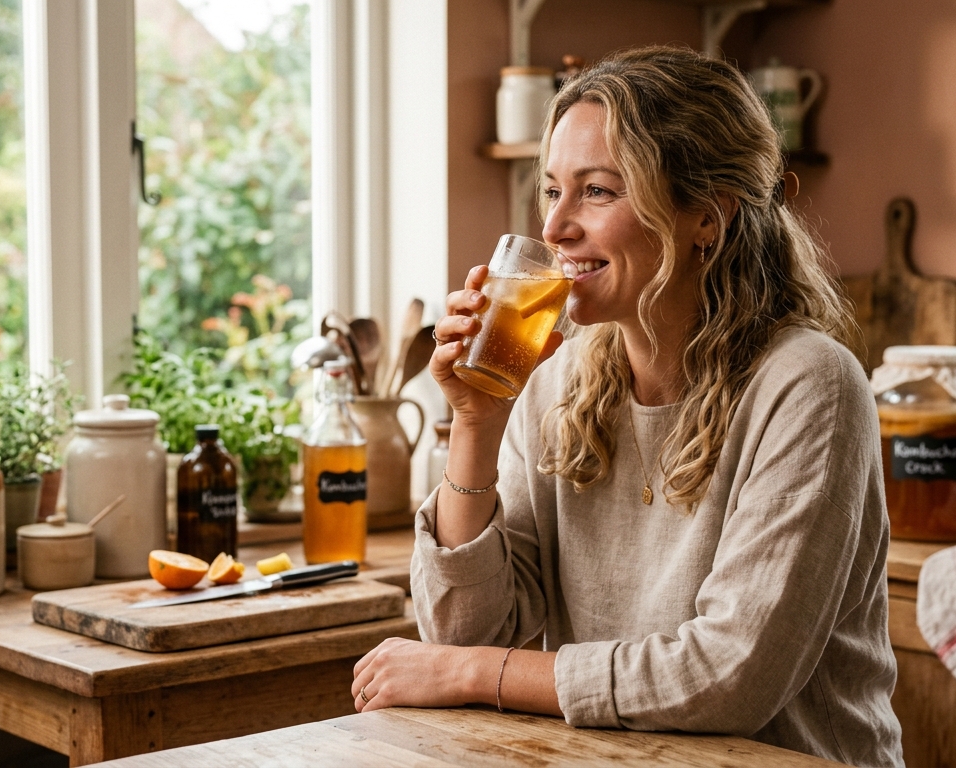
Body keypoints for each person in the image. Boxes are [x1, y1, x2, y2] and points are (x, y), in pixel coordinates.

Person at [350, 46, 904, 767]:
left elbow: (728, 677)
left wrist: (470, 675)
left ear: (706, 216)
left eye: (599, 191)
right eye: (552, 191)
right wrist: (478, 425)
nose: (554, 229)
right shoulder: (553, 381)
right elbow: (470, 631)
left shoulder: (809, 385)